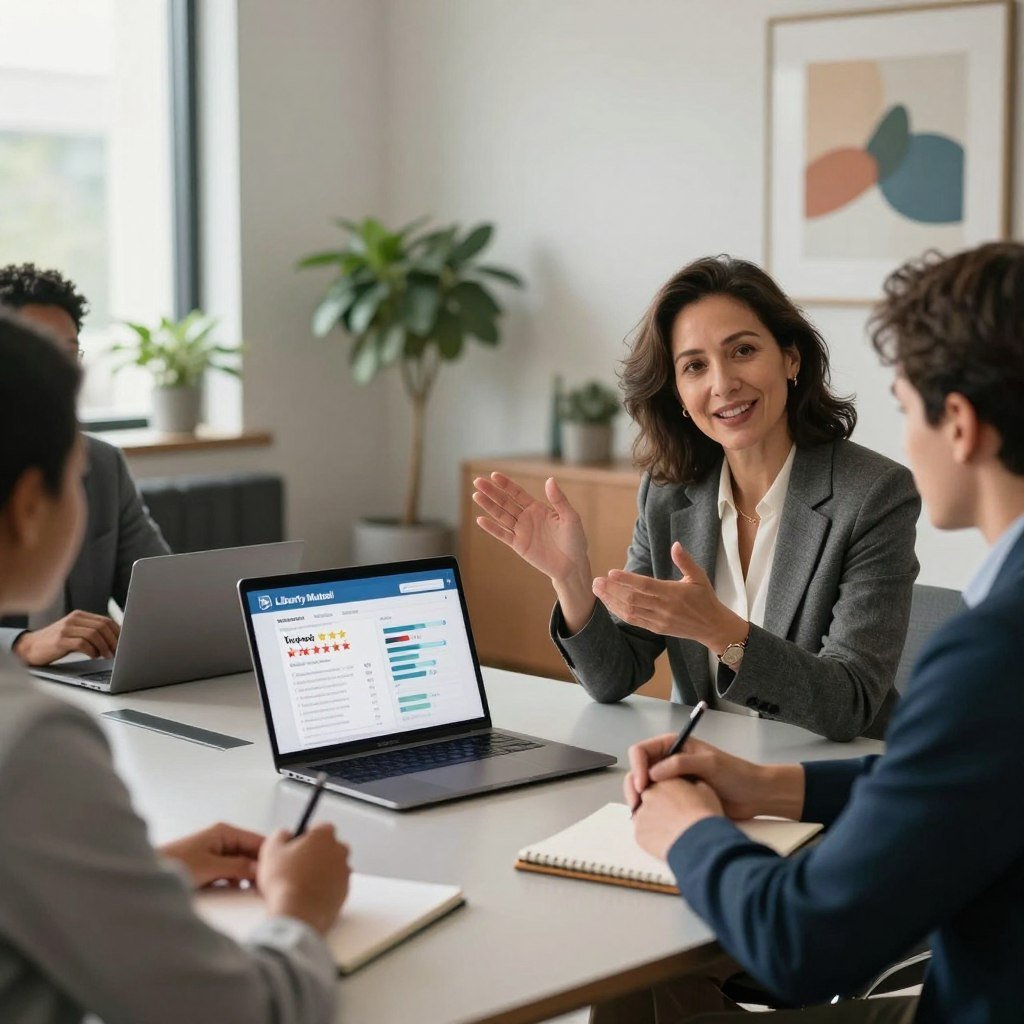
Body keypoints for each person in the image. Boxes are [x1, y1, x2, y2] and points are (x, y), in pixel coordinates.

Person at [625, 241, 1024, 1023]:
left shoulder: (992, 654)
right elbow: (965, 778)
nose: (903, 438)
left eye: (906, 407)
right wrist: (770, 785)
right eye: (694, 365)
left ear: (961, 425)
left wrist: (689, 831)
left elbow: (799, 943)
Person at [0, 307, 351, 1023]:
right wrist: (300, 910)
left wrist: (141, 875)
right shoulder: (32, 746)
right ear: (32, 504)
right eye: (72, 478)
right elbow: (239, 1013)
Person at [473, 256, 920, 741]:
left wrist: (722, 631)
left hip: (829, 781)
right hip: (706, 770)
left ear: (791, 358)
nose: (723, 384)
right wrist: (572, 580)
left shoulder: (873, 494)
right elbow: (614, 677)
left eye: (743, 350)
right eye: (695, 366)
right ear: (678, 395)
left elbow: (850, 702)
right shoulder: (667, 493)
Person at [0, 262, 170, 666]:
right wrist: (21, 645)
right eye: (40, 352)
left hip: (85, 689)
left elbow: (161, 596)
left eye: (69, 352)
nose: (60, 373)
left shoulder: (101, 463)